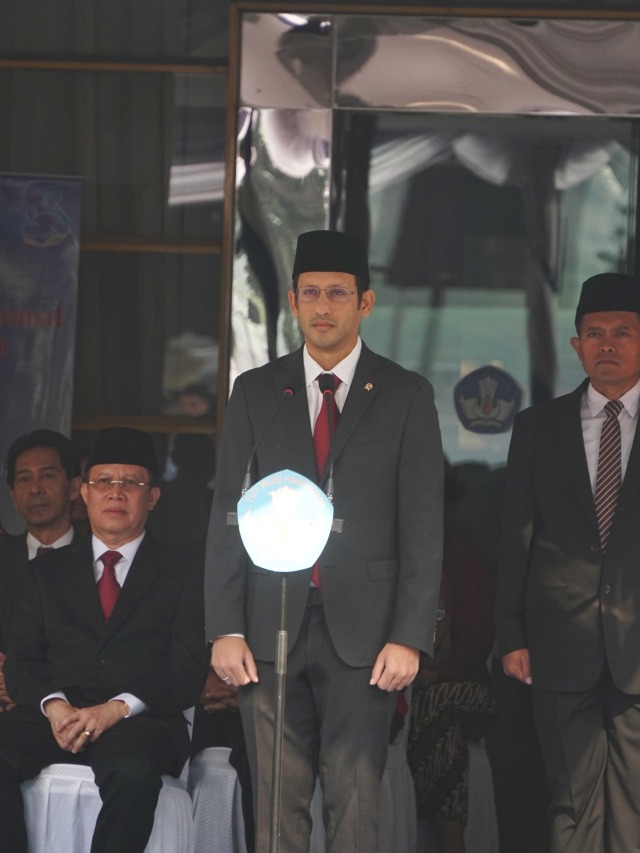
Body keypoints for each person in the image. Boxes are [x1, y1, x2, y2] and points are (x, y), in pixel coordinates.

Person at [205, 229, 444, 852]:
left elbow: (422, 524)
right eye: (310, 292)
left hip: (367, 635)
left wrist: (410, 634)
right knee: (276, 804)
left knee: (356, 800)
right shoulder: (258, 390)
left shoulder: (405, 394)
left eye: (338, 293)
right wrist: (224, 626)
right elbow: (229, 511)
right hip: (268, 625)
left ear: (364, 303)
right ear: (291, 301)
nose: (323, 306)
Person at [0, 426, 209, 853]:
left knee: (133, 774)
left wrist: (116, 709)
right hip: (54, 717)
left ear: (151, 497)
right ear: (84, 493)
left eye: (130, 483)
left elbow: (186, 670)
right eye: (104, 482)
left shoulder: (182, 571)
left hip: (139, 722)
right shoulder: (45, 572)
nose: (116, 493)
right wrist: (55, 706)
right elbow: (21, 664)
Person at [496, 272, 640, 853]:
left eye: (624, 332)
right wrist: (510, 635)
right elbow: (514, 539)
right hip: (557, 643)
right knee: (570, 802)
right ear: (576, 345)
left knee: (635, 804)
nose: (607, 344)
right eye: (594, 332)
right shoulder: (538, 427)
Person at [408, 462, 497, 853]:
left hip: (466, 687)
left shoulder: (462, 556)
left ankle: (450, 842)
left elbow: (476, 643)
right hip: (407, 682)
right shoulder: (394, 552)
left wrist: (435, 674)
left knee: (437, 707)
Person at [0, 429, 83, 710]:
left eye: (47, 476)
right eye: (24, 479)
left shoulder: (102, 561)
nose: (35, 488)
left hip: (78, 708)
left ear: (74, 487)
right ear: (12, 495)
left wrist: (25, 685)